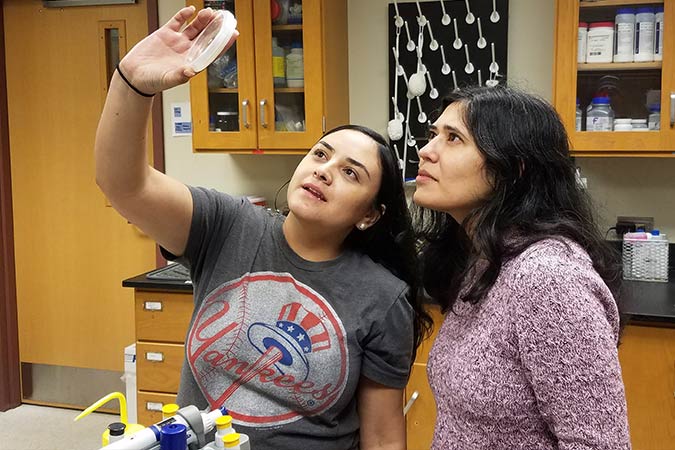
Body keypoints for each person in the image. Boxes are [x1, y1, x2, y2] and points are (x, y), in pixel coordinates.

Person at [94, 6, 431, 450]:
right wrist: (132, 82)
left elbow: (384, 439)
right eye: (320, 154)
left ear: (370, 214)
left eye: (351, 173)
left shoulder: (382, 298)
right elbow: (123, 184)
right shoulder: (227, 225)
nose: (325, 171)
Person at [412, 86, 631, 449]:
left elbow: (598, 443)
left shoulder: (547, 279)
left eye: (453, 138)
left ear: (512, 169)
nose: (425, 151)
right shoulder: (485, 260)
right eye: (433, 135)